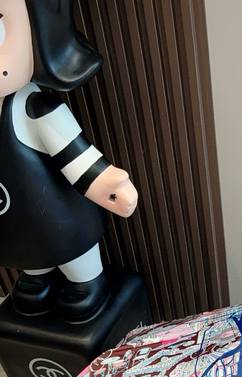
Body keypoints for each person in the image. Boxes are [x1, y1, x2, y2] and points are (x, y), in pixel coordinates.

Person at [0, 0, 138, 321]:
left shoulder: (36, 109)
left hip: (59, 216)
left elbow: (76, 156)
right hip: (15, 222)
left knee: (73, 254)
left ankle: (86, 279)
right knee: (26, 252)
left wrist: (108, 183)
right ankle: (36, 275)